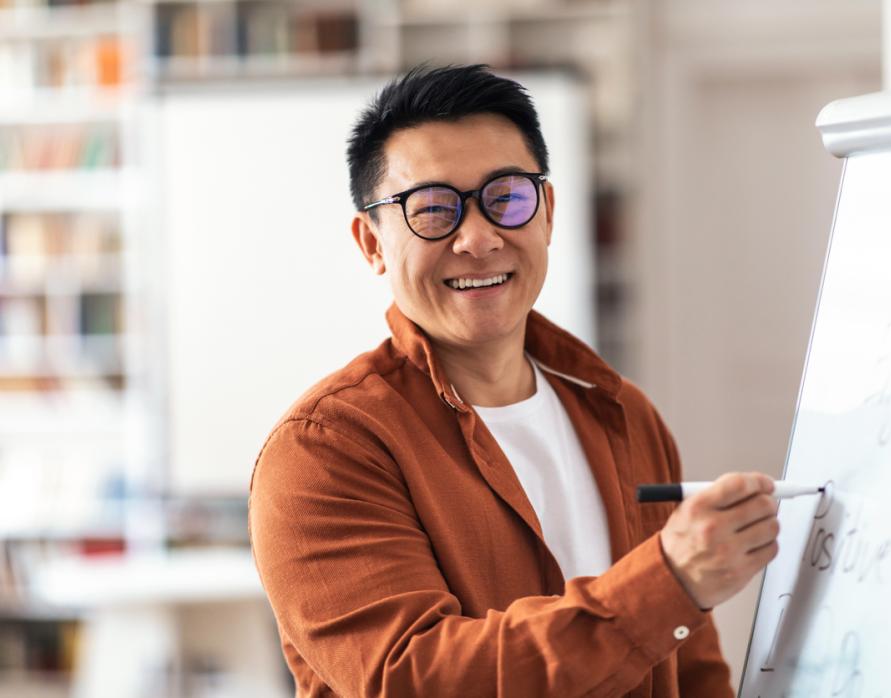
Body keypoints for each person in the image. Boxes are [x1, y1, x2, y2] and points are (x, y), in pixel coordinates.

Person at [248, 64, 779, 697]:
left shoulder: (623, 414)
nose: (478, 238)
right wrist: (665, 584)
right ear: (372, 244)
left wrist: (678, 593)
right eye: (433, 210)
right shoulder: (325, 450)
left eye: (506, 197)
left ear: (547, 213)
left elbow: (689, 672)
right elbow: (416, 680)